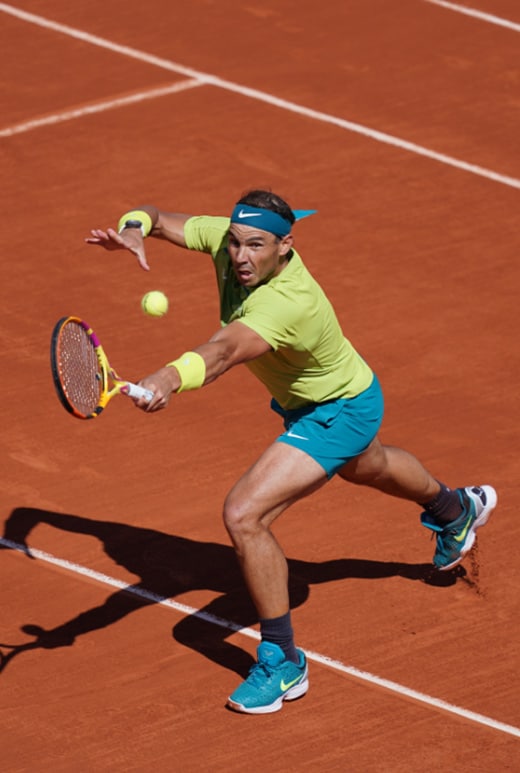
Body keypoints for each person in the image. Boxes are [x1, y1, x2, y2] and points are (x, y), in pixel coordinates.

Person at [87, 189, 497, 715]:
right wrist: (133, 228)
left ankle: (282, 661)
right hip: (330, 396)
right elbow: (158, 216)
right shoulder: (232, 241)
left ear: (286, 246)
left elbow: (224, 351)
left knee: (244, 514)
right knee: (366, 466)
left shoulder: (287, 302)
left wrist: (170, 376)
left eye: (255, 246)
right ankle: (454, 510)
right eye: (234, 243)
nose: (240, 257)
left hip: (338, 409)